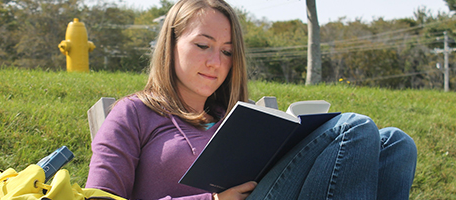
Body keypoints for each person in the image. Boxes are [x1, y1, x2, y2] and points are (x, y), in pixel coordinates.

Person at [85, 0, 418, 199]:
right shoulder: (134, 113)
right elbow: (100, 199)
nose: (216, 62)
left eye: (227, 51)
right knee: (353, 128)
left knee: (395, 144)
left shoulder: (232, 118)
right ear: (171, 45)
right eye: (203, 45)